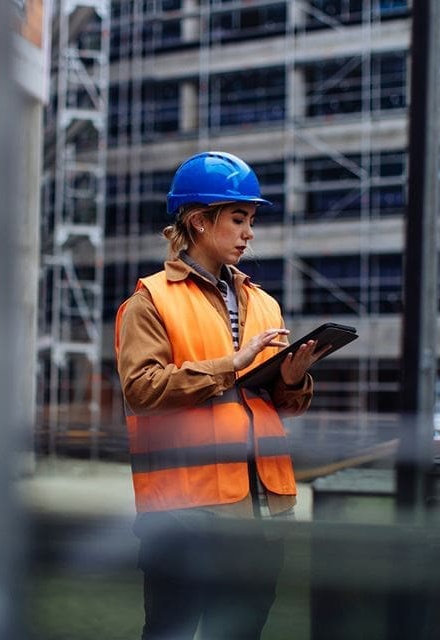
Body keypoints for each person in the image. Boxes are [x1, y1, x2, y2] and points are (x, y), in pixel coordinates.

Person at [114, 151, 327, 639]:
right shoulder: (150, 301)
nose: (249, 232)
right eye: (238, 218)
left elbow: (277, 407)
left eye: (250, 219)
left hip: (262, 516)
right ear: (199, 221)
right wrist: (227, 366)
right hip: (186, 519)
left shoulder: (264, 302)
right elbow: (141, 389)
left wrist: (292, 378)